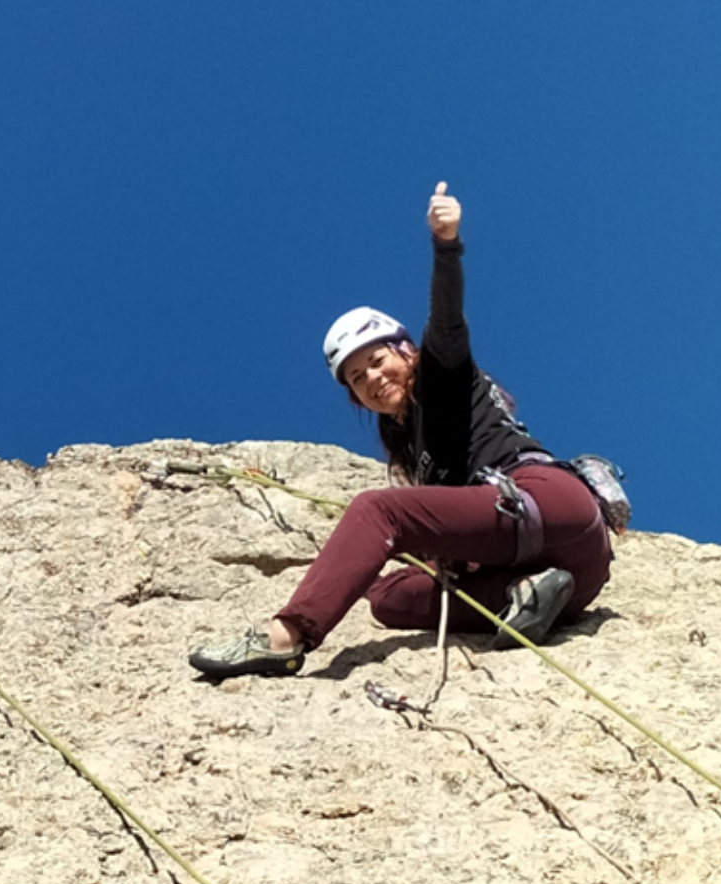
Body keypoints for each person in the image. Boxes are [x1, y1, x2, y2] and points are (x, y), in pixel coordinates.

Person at [189, 182, 614, 680]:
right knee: (389, 596)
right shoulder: (414, 449)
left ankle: (285, 637)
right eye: (356, 377)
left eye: (377, 360)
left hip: (546, 501)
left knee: (377, 510)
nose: (372, 377)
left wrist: (446, 245)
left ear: (406, 351)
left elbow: (448, 322)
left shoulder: (442, 377)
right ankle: (523, 595)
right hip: (575, 576)